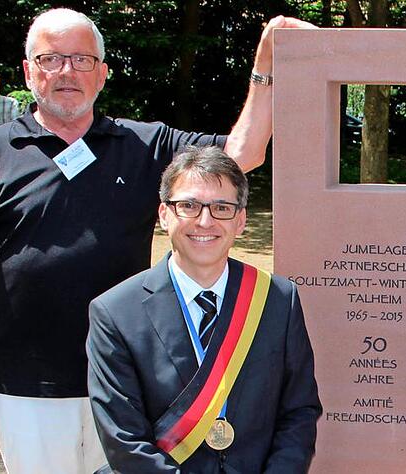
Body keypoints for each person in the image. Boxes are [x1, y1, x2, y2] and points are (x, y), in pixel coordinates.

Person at [0, 8, 315, 473]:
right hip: (30, 387)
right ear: (29, 71)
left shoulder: (143, 144)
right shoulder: (0, 150)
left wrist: (266, 63)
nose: (67, 71)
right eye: (52, 59)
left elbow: (241, 155)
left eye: (82, 60)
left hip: (136, 385)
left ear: (102, 74)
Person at [87, 146, 321, 472]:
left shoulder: (278, 299)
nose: (205, 221)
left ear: (240, 221)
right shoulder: (115, 313)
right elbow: (124, 442)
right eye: (189, 206)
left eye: (222, 207)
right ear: (164, 215)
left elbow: (299, 412)